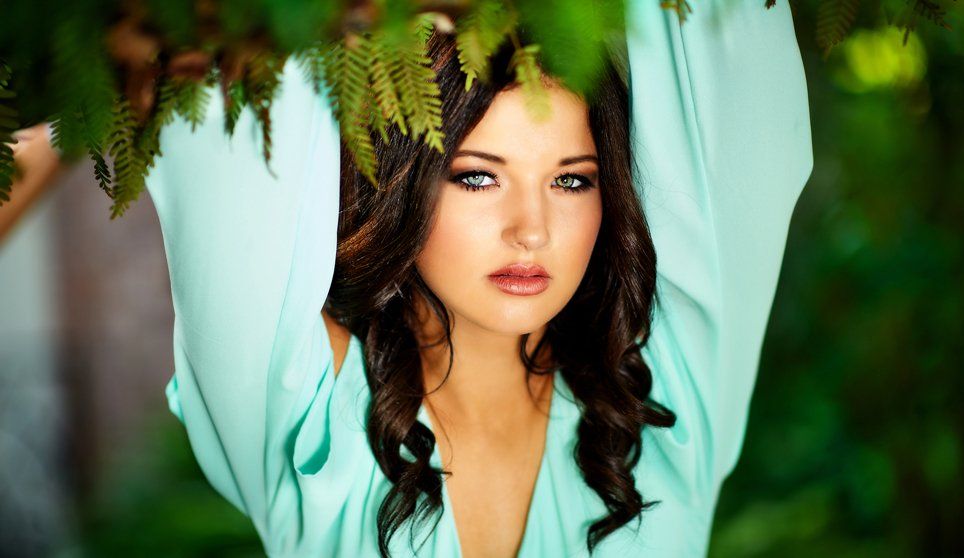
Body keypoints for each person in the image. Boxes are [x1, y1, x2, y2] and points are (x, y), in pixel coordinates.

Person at [145, 0, 813, 556]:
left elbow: (738, 71)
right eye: (478, 176)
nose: (531, 229)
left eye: (571, 179)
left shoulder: (669, 408)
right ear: (405, 187)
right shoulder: (307, 424)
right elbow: (227, 126)